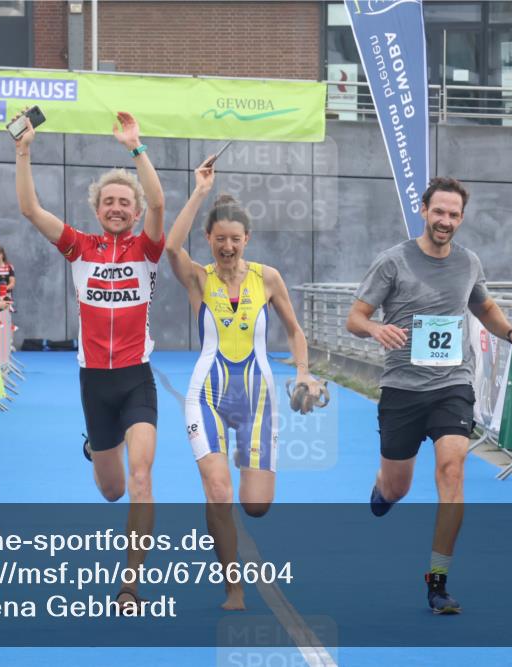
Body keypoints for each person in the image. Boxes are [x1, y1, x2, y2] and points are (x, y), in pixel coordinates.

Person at [345, 177, 512, 615]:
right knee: (398, 487)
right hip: (402, 387)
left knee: (452, 469)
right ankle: (383, 490)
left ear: (462, 218)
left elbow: (483, 306)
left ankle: (438, 581)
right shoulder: (392, 262)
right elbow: (355, 317)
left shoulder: (469, 263)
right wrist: (376, 328)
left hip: (453, 384)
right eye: (439, 212)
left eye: (454, 215)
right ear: (424, 210)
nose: (445, 221)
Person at [13, 109, 164, 612]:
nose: (117, 208)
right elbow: (31, 210)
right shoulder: (80, 247)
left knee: (142, 479)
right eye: (109, 202)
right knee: (113, 491)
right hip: (93, 383)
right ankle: (98, 447)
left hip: (136, 379)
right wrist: (24, 148)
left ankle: (130, 583)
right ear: (97, 209)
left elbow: (161, 200)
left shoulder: (147, 247)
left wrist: (135, 148)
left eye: (125, 202)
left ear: (135, 210)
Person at [165, 159, 323, 610]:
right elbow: (171, 247)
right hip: (207, 396)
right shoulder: (199, 277)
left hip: (258, 399)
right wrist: (198, 192)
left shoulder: (267, 278)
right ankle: (233, 585)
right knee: (218, 491)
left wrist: (304, 373)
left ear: (247, 240)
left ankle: (238, 537)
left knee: (255, 505)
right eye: (220, 240)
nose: (228, 247)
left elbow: (294, 330)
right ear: (210, 241)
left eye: (235, 240)